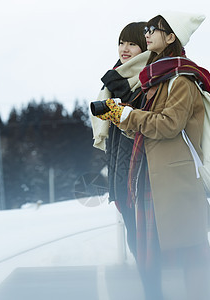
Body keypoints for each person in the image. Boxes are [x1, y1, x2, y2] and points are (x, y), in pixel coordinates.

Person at [95, 12, 210, 300]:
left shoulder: (181, 79)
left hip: (173, 179)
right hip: (152, 177)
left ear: (170, 37)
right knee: (156, 254)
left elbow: (168, 125)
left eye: (154, 30)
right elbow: (146, 130)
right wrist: (119, 118)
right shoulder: (159, 77)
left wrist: (126, 114)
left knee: (192, 253)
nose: (148, 33)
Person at [90, 22, 150, 261]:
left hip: (140, 161)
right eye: (121, 42)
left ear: (145, 46)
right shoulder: (117, 77)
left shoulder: (149, 76)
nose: (124, 49)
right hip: (118, 155)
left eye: (132, 44)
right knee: (130, 223)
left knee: (142, 231)